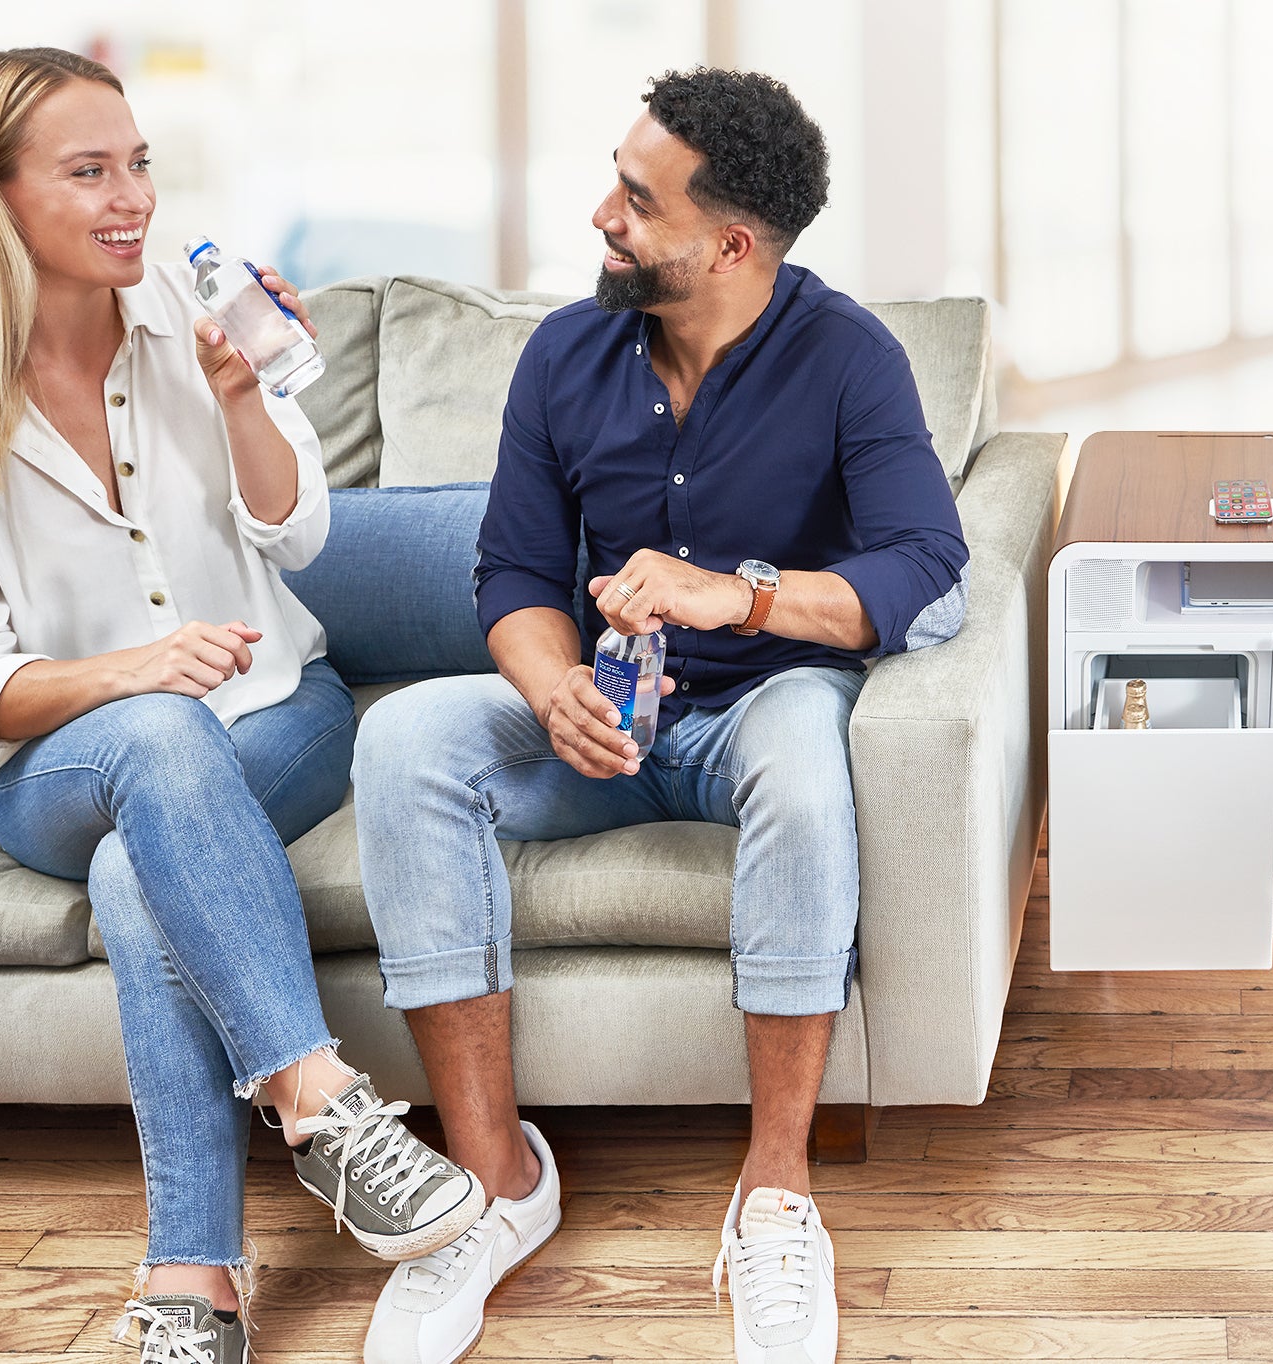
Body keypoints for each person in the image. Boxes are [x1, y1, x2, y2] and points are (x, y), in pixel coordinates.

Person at [0, 47, 484, 1364]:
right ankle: (320, 1098)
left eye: (138, 161)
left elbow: (302, 534)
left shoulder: (200, 331)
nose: (130, 195)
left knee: (144, 879)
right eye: (88, 172)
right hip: (55, 768)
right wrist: (130, 675)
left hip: (280, 710)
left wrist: (244, 399)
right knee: (154, 736)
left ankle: (194, 1278)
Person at [346, 67, 968, 1364]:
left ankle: (777, 1193)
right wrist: (550, 685)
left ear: (731, 244)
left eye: (636, 200)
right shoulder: (566, 355)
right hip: (610, 729)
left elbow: (921, 570)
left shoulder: (850, 359)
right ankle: (493, 1189)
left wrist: (737, 598)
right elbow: (514, 571)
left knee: (807, 764)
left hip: (764, 705)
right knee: (404, 737)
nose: (600, 218)